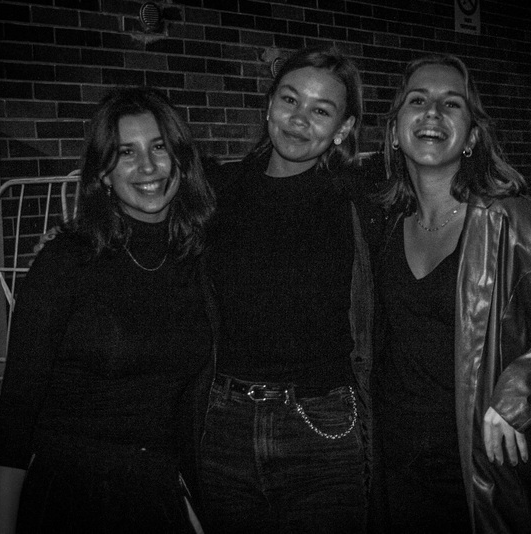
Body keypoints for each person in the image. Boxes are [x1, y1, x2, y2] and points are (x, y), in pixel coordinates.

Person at [371, 54, 531, 533]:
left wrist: (519, 390)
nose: (432, 112)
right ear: (394, 130)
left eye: (452, 104)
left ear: (471, 137)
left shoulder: (522, 226)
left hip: (481, 463)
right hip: (396, 463)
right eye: (417, 100)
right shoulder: (381, 225)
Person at [0, 86, 216, 534]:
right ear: (104, 173)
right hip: (71, 497)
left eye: (159, 148)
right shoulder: (66, 261)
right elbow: (16, 411)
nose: (147, 167)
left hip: (159, 492)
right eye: (126, 152)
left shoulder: (198, 257)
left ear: (181, 160)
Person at [198, 45, 381, 533]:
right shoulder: (218, 190)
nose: (299, 119)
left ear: (343, 128)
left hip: (323, 425)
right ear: (269, 105)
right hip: (224, 425)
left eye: (321, 110)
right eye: (289, 100)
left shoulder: (361, 200)